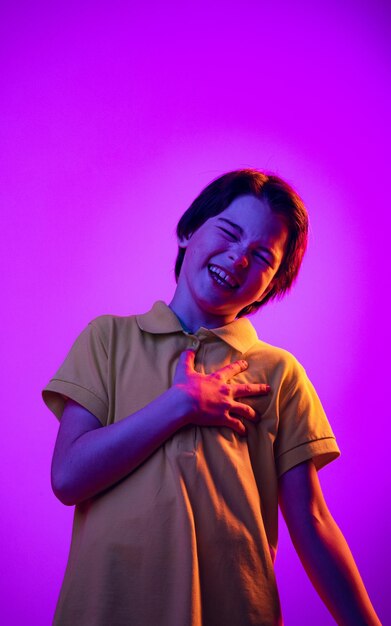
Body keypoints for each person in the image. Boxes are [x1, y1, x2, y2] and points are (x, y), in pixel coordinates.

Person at [43, 169, 381, 626]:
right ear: (187, 232)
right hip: (106, 608)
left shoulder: (279, 374)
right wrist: (179, 405)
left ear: (272, 284)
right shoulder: (108, 338)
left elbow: (314, 522)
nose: (239, 258)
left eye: (262, 256)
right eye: (229, 232)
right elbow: (68, 476)